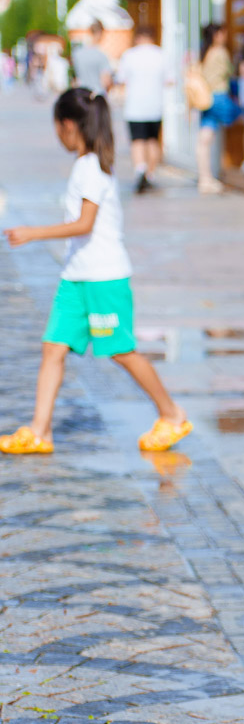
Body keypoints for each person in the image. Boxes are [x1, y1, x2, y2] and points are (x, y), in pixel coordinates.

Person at [0, 88, 192, 456]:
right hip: (76, 277)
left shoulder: (91, 169)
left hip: (104, 278)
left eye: (57, 127)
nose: (57, 134)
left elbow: (84, 224)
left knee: (121, 351)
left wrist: (32, 233)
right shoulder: (87, 165)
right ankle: (40, 431)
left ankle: (172, 414)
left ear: (68, 125)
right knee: (53, 348)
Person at [115, 27, 166, 194]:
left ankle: (140, 170)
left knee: (137, 140)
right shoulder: (161, 55)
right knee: (152, 140)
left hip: (134, 107)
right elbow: (170, 80)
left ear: (137, 38)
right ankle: (150, 175)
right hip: (155, 106)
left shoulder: (129, 55)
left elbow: (121, 80)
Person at [195, 23, 240, 195]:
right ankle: (241, 166)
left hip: (206, 98)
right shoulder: (220, 52)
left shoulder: (204, 51)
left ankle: (205, 178)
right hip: (219, 96)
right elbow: (230, 71)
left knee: (204, 139)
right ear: (217, 35)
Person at [72, 20, 113, 96]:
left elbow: (75, 78)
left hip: (82, 95)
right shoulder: (102, 56)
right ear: (100, 33)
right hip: (97, 96)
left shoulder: (77, 53)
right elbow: (106, 82)